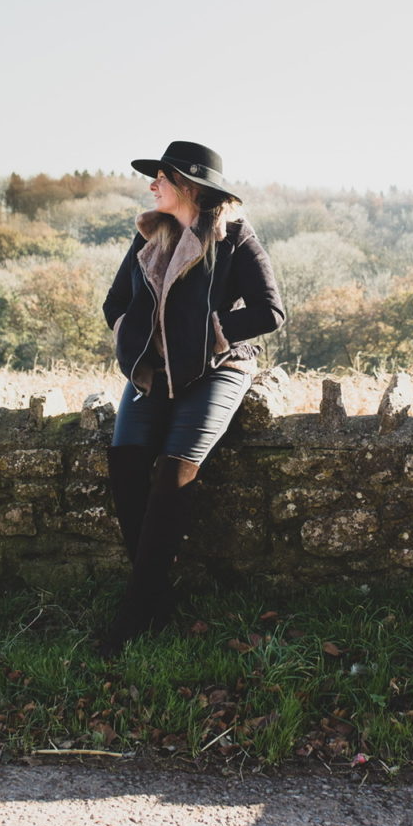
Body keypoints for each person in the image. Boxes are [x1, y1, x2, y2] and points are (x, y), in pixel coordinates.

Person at [100, 141, 285, 655]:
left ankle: (135, 612)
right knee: (126, 461)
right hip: (152, 370)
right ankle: (156, 596)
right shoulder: (150, 235)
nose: (151, 185)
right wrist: (138, 336)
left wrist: (212, 333)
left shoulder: (234, 236)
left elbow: (270, 311)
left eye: (160, 177)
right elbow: (116, 303)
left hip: (219, 369)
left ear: (187, 183)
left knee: (174, 470)